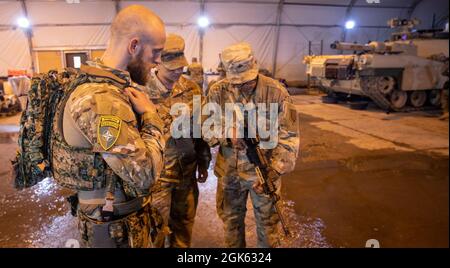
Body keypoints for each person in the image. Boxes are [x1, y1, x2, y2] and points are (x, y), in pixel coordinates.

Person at [54, 5, 166, 248]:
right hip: (113, 231)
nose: (158, 61)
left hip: (118, 222)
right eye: (155, 52)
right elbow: (144, 174)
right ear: (133, 46)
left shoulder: (110, 86)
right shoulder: (102, 99)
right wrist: (151, 116)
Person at [205, 42, 300, 248]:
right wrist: (227, 136)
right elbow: (204, 127)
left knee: (268, 229)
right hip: (230, 174)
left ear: (255, 66)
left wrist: (274, 170)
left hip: (265, 173)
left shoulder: (276, 92)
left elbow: (289, 137)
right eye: (235, 82)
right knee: (231, 225)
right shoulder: (217, 91)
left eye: (246, 80)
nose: (241, 86)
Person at [144, 34, 211, 248]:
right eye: (171, 68)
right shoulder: (141, 91)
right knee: (155, 231)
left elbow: (199, 132)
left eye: (180, 67)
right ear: (158, 63)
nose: (177, 72)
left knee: (183, 228)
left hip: (186, 174)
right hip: (157, 180)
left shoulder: (191, 90)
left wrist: (203, 162)